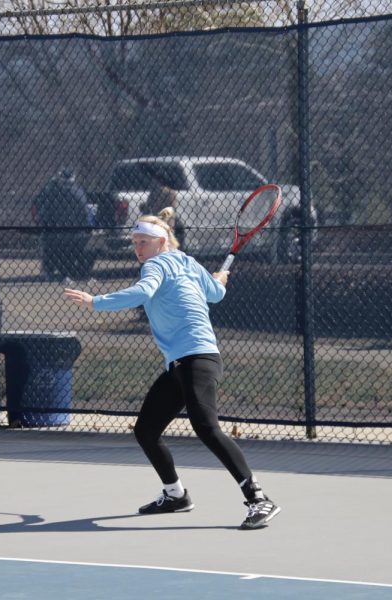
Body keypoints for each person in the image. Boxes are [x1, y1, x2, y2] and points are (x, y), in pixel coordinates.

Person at [63, 207, 281, 530]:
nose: (138, 249)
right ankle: (176, 494)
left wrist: (97, 302)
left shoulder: (156, 265)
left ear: (161, 242)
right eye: (135, 242)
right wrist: (218, 278)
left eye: (143, 242)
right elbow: (216, 294)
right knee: (146, 430)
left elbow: (143, 292)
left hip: (198, 358)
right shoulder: (189, 263)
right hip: (181, 363)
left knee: (206, 427)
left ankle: (258, 497)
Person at [33, 169, 93, 282]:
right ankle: (82, 275)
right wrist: (88, 227)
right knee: (78, 249)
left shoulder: (53, 193)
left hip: (56, 232)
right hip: (76, 232)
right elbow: (85, 212)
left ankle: (51, 272)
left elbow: (45, 213)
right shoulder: (78, 192)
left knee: (48, 245)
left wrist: (45, 225)